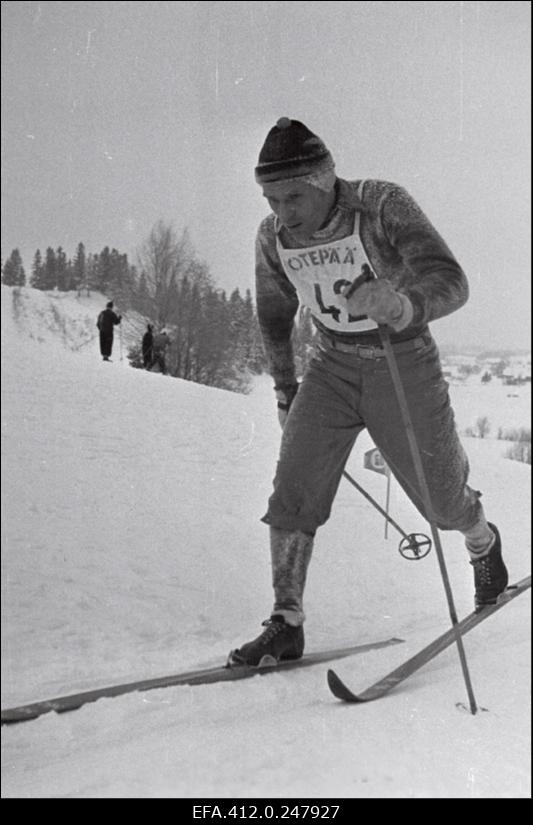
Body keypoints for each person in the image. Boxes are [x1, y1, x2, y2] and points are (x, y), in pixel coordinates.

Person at [230, 117, 509, 666]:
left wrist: (404, 305)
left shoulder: (380, 205)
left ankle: (482, 541)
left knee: (441, 500)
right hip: (331, 364)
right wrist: (286, 392)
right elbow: (274, 316)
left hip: (401, 361)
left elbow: (450, 278)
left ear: (325, 180)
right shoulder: (273, 237)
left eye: (293, 197)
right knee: (293, 490)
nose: (283, 213)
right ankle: (285, 620)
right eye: (271, 199)